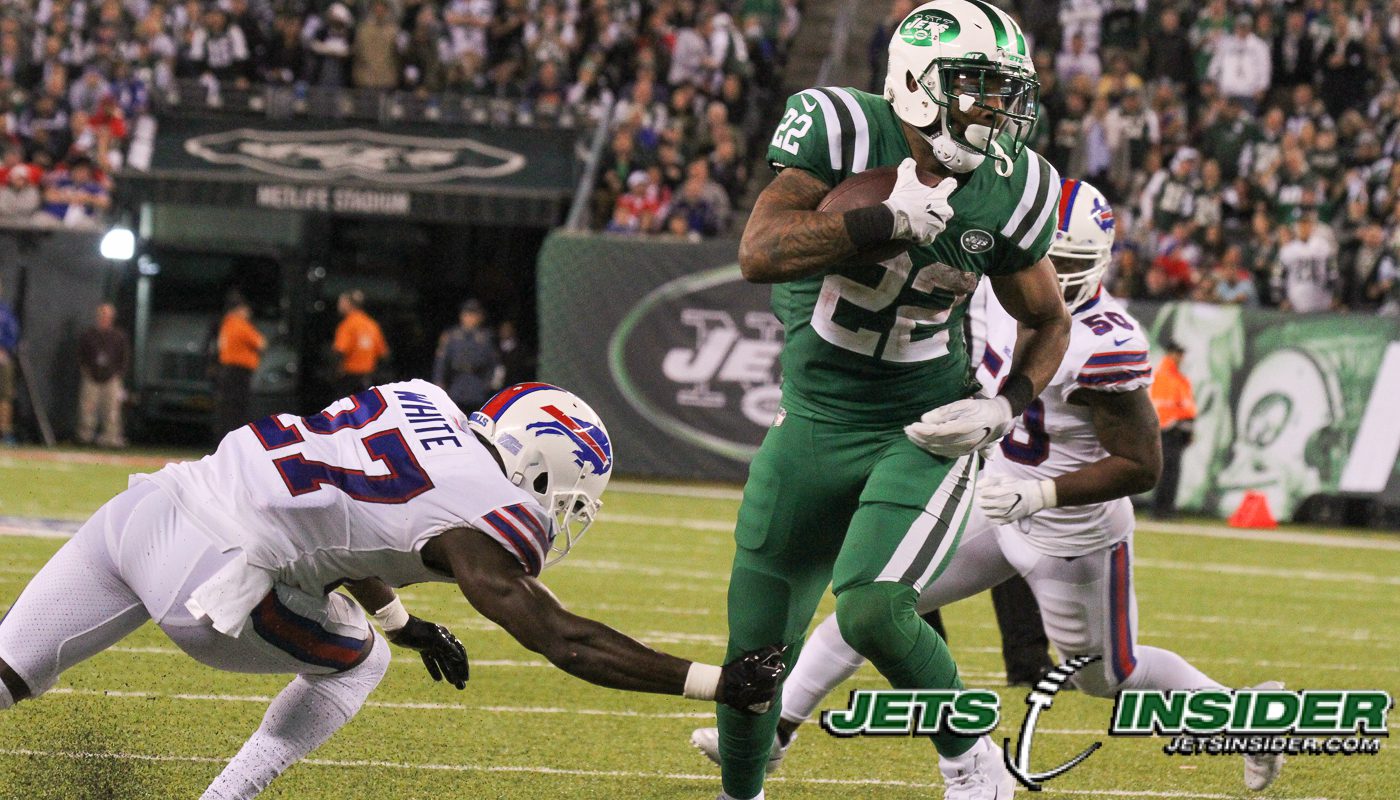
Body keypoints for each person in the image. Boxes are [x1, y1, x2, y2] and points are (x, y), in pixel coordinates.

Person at [696, 180, 1283, 794]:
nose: (1055, 273)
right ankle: (776, 732)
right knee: (873, 602)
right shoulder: (1000, 290)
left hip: (1071, 530)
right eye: (1048, 257)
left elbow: (1142, 467)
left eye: (1071, 262)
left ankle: (1251, 720)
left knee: (1108, 676)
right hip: (996, 497)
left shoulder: (1108, 342)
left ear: (1102, 262)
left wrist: (1042, 495)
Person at [0, 380, 785, 799]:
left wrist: (403, 619)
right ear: (544, 468)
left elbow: (340, 520)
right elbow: (562, 639)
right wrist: (715, 682)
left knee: (6, 669)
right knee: (360, 663)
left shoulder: (424, 398)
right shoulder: (487, 509)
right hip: (213, 578)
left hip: (148, 507)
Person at [705, 3, 1073, 797]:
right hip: (811, 423)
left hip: (922, 428)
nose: (995, 108)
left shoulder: (1015, 185)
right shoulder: (841, 129)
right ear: (915, 80)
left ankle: (972, 761)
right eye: (976, 85)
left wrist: (1006, 404)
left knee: (872, 610)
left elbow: (1049, 318)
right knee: (752, 657)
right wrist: (881, 220)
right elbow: (759, 251)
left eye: (1005, 90)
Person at [1150, 339, 1195, 519]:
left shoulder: (1177, 377)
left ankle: (1166, 508)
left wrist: (1188, 430)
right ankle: (1161, 509)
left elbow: (1187, 406)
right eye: (1178, 353)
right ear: (1170, 353)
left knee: (1172, 471)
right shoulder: (1165, 376)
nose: (1181, 357)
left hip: (1177, 429)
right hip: (1168, 429)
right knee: (1167, 471)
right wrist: (1176, 424)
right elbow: (1165, 405)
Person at [76, 301, 130, 448]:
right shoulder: (88, 335)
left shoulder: (119, 336)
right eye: (102, 314)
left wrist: (118, 374)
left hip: (111, 378)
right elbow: (81, 355)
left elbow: (124, 357)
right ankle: (85, 437)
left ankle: (110, 438)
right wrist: (86, 371)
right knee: (87, 409)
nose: (105, 318)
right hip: (92, 377)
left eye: (107, 315)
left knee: (112, 410)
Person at [433, 298, 501, 412]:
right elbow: (441, 362)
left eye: (473, 315)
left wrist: (490, 385)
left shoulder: (487, 337)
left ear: (480, 317)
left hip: (478, 386)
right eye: (467, 315)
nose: (469, 318)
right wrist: (439, 383)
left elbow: (495, 363)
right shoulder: (451, 336)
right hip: (456, 385)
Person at [215, 293, 265, 437]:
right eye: (245, 309)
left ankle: (222, 438)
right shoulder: (240, 324)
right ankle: (236, 440)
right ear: (239, 309)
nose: (248, 312)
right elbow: (261, 343)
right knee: (238, 408)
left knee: (226, 407)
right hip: (239, 372)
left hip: (227, 370)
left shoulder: (226, 324)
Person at [333, 290, 389, 398]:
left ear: (349, 304)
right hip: (368, 378)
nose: (339, 306)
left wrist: (336, 370)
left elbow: (340, 350)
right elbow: (383, 353)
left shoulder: (348, 324)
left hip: (349, 378)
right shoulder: (372, 324)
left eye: (341, 302)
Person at [0, 277, 18, 446]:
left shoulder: (5, 312)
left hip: (3, 357)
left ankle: (4, 431)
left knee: (5, 396)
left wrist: (3, 348)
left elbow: (13, 334)